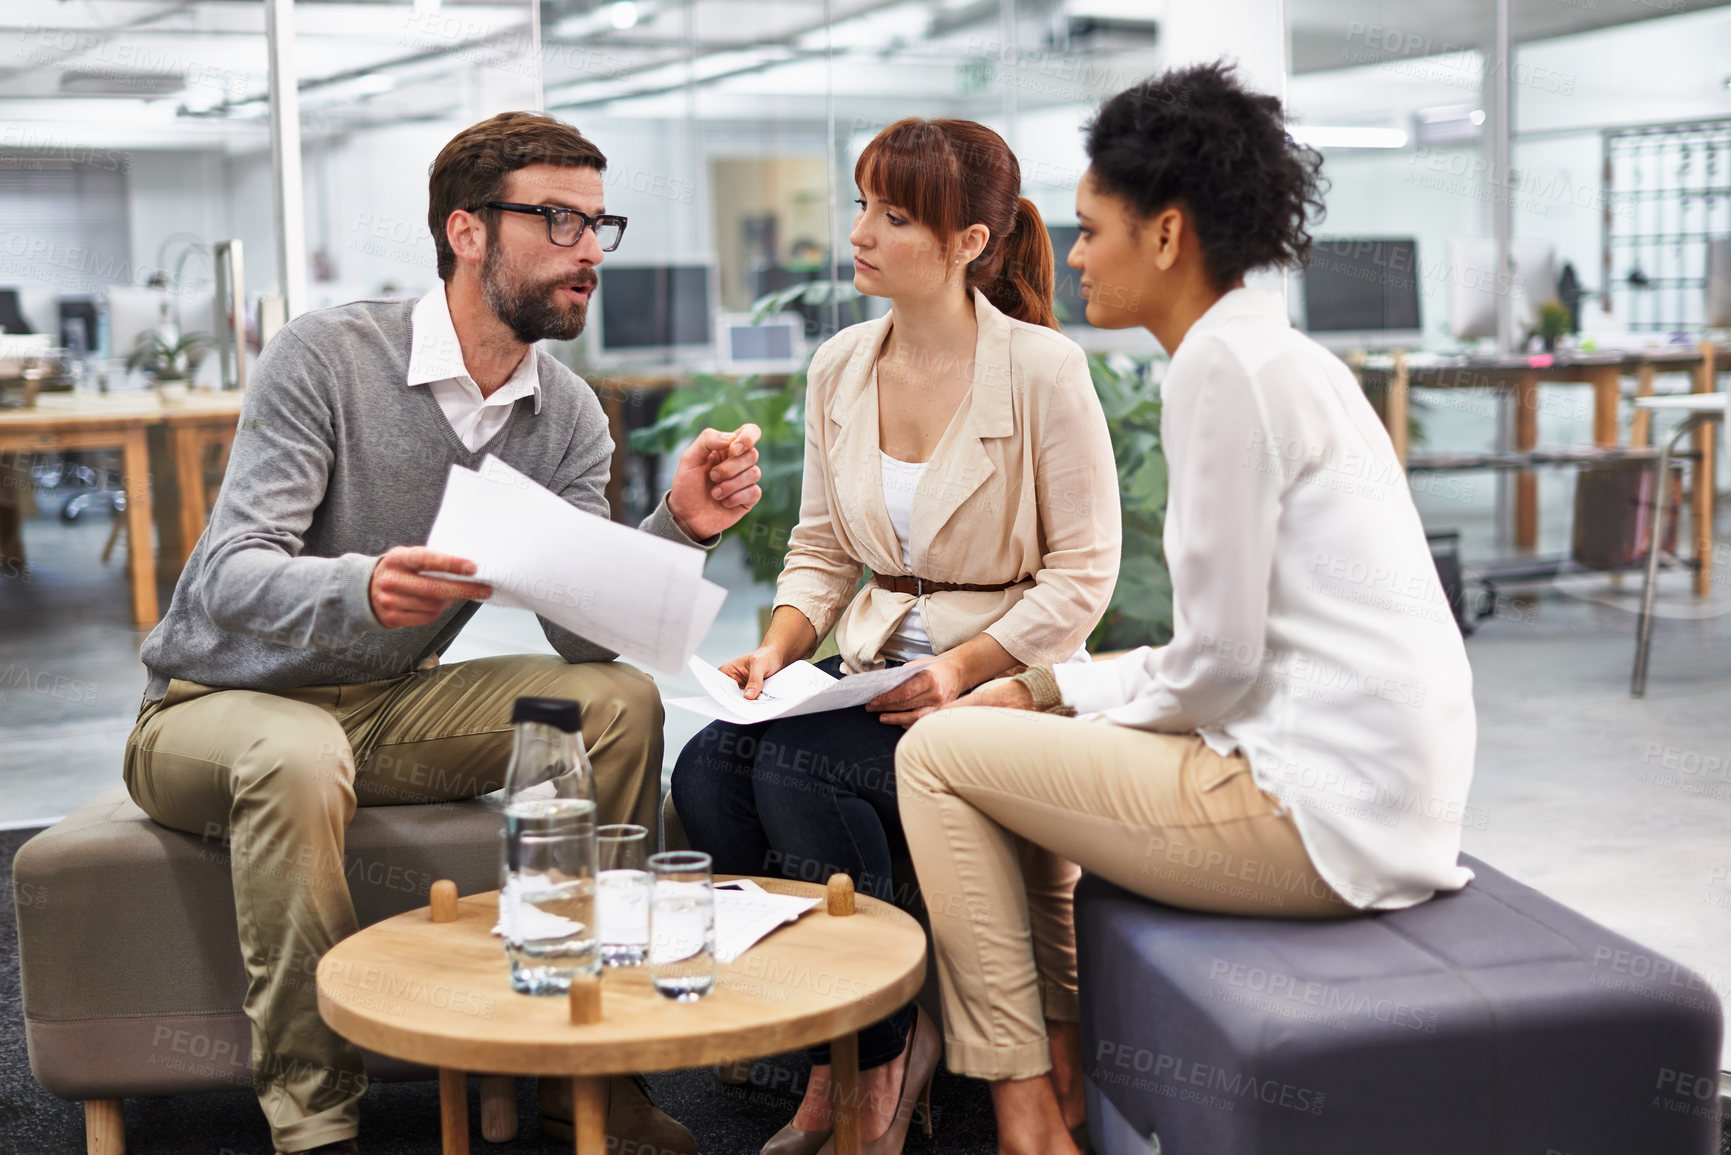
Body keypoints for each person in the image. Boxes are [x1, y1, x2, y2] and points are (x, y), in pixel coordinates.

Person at [123, 111, 762, 1155]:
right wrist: (363, 588)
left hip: (383, 706)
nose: (590, 250)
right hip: (212, 707)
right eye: (559, 221)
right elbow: (230, 576)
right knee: (297, 754)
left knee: (620, 705)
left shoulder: (565, 414)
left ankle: (584, 1071)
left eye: (601, 225)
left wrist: (675, 526)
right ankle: (316, 1120)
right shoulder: (327, 357)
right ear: (467, 233)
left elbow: (584, 640)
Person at [894, 62, 1478, 1155]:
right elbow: (1222, 654)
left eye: (1089, 230)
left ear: (1165, 236)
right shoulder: (1277, 353)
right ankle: (1060, 1067)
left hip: (1310, 823)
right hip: (1387, 809)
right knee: (1002, 736)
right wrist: (1047, 687)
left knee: (937, 755)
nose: (1070, 258)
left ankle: (1025, 1114)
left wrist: (1043, 693)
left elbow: (1214, 664)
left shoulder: (1219, 371)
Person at [671, 117, 1122, 1155]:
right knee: (709, 768)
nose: (861, 232)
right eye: (863, 204)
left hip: (1004, 673)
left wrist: (960, 669)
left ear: (971, 241)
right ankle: (840, 1031)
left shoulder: (1044, 370)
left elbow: (1082, 578)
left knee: (800, 771)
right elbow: (826, 544)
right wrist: (780, 648)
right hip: (874, 662)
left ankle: (869, 1074)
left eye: (896, 214)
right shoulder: (842, 366)